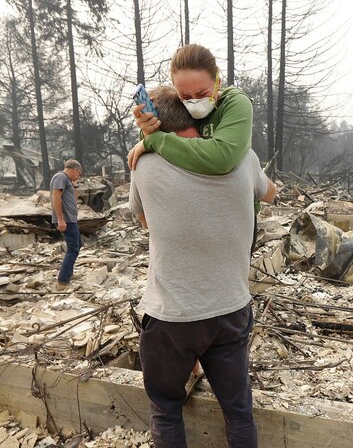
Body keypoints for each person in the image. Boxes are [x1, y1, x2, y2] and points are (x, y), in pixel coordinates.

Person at [129, 86, 276, 448]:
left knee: (166, 409)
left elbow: (145, 221)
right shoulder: (242, 156)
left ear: (155, 125)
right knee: (239, 412)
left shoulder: (143, 161)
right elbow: (270, 193)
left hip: (170, 317)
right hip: (229, 311)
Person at [128, 43, 253, 175]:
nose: (194, 101)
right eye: (185, 96)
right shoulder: (177, 102)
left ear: (218, 82)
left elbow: (222, 159)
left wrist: (154, 140)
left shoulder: (235, 103)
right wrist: (148, 130)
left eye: (203, 94)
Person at [50, 159, 82, 289]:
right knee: (73, 248)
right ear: (74, 170)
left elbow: (74, 199)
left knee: (78, 244)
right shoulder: (60, 177)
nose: (78, 176)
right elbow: (56, 196)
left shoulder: (67, 180)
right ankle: (62, 281)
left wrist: (75, 185)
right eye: (78, 174)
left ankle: (68, 273)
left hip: (71, 218)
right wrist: (60, 219)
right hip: (66, 219)